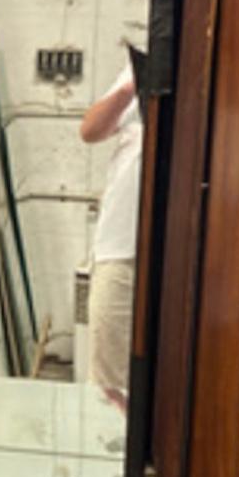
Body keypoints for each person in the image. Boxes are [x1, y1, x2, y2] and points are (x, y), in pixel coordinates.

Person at [80, 61, 142, 409]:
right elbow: (90, 131)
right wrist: (128, 89)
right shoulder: (138, 69)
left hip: (185, 255)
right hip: (121, 246)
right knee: (108, 383)